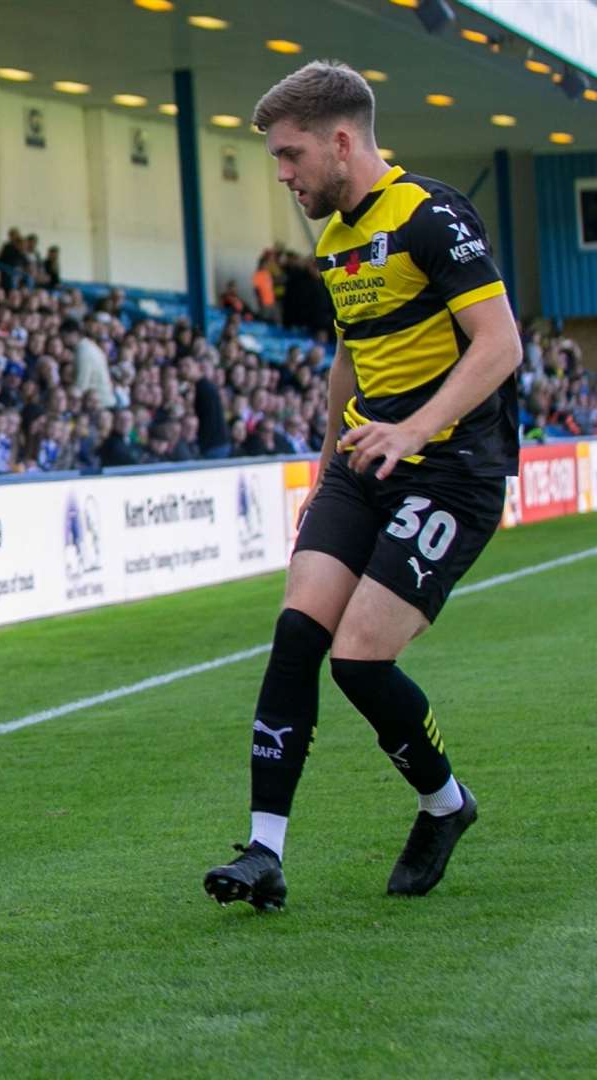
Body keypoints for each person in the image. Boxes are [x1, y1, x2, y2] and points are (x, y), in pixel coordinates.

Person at [204, 61, 521, 912]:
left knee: (360, 659)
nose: (282, 174)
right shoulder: (337, 241)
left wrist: (416, 428)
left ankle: (445, 805)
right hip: (363, 463)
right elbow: (351, 358)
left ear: (341, 143)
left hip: (453, 472)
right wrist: (323, 468)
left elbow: (500, 345)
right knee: (298, 631)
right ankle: (263, 852)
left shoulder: (431, 214)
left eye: (289, 154)